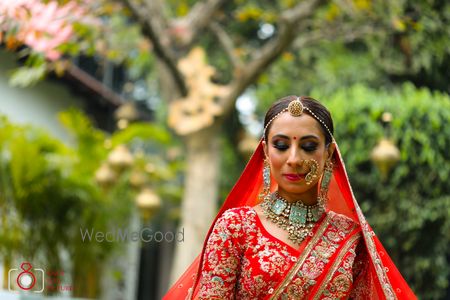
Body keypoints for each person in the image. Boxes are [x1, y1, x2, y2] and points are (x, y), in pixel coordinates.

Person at [164, 96, 416, 299]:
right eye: (281, 146)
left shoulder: (349, 238)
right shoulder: (235, 227)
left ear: (328, 153)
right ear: (265, 151)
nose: (294, 159)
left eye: (308, 147)